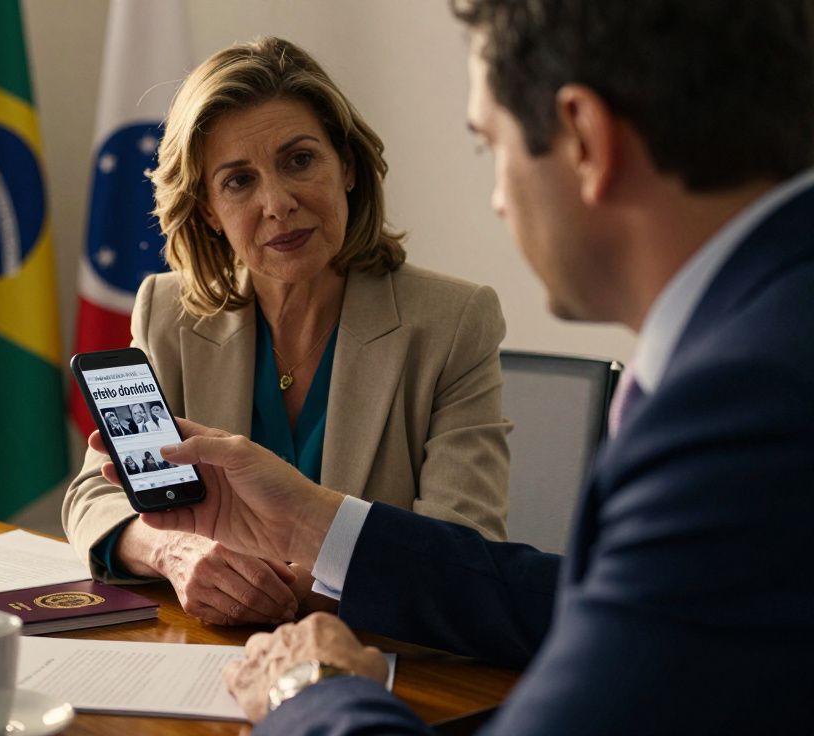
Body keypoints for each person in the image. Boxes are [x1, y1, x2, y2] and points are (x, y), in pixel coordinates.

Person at [95, 0, 814, 732]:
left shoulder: (738, 407)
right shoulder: (755, 354)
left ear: (586, 138)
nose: (498, 201)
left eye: (488, 144)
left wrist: (307, 687)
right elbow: (569, 600)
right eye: (239, 181)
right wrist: (302, 522)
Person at [62, 36, 511, 628]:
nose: (277, 203)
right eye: (238, 181)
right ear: (207, 209)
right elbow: (94, 496)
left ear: (347, 166)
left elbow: (465, 551)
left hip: (376, 657)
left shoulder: (454, 321)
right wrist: (174, 552)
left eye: (299, 160)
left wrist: (289, 591)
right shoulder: (168, 312)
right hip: (210, 655)